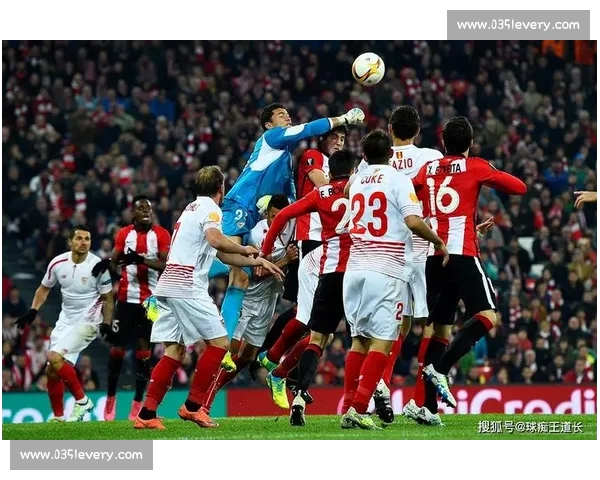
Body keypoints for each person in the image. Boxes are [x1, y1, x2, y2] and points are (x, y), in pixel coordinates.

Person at [216, 103, 365, 372]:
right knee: (234, 270)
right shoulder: (271, 139)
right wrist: (343, 118)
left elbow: (291, 196)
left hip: (254, 215)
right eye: (280, 115)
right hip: (239, 204)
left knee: (240, 274)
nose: (287, 117)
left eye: (287, 114)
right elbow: (306, 129)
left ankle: (238, 349)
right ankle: (223, 346)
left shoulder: (284, 159)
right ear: (268, 124)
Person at [133, 166, 284, 430]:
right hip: (187, 284)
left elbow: (222, 255)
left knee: (174, 350)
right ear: (220, 188)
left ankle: (146, 415)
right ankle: (193, 407)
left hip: (168, 284)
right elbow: (216, 240)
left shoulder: (190, 209)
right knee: (220, 344)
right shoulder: (211, 209)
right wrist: (244, 248)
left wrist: (255, 259)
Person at [412, 117, 527, 425]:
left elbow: (411, 195)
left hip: (435, 257)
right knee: (488, 315)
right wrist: (488, 171)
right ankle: (441, 369)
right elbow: (519, 187)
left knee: (440, 330)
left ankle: (428, 408)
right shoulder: (475, 166)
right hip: (462, 254)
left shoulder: (428, 169)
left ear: (443, 142)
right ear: (471, 142)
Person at [340, 129, 448, 430]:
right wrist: (437, 241)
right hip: (386, 270)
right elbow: (413, 221)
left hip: (354, 269)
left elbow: (347, 192)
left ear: (364, 155)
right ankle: (358, 408)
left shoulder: (357, 180)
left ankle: (348, 407)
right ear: (390, 154)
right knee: (384, 341)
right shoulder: (399, 180)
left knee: (359, 340)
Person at [260, 149, 356, 425]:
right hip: (342, 271)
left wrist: (265, 251)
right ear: (352, 171)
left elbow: (281, 217)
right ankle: (274, 362)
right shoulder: (361, 190)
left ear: (329, 172)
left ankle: (283, 375)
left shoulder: (320, 193)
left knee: (320, 336)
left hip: (328, 269)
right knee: (327, 332)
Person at [262, 126, 348, 373]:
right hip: (311, 237)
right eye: (334, 137)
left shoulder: (342, 171)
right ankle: (270, 356)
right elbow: (323, 184)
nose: (339, 142)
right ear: (323, 138)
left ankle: (278, 364)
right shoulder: (313, 156)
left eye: (343, 139)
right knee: (304, 313)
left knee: (318, 322)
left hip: (333, 242)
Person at [201, 194, 298, 413]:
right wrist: (285, 260)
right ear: (267, 214)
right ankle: (203, 399)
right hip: (248, 297)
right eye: (273, 216)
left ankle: (211, 392)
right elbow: (256, 272)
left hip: (268, 300)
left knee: (248, 356)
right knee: (229, 350)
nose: (277, 221)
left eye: (282, 217)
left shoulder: (292, 226)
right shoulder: (257, 233)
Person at [15, 225, 114, 422]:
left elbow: (108, 297)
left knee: (54, 357)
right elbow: (44, 289)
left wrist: (106, 323)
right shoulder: (57, 263)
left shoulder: (98, 265)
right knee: (52, 370)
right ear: (70, 242)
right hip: (65, 321)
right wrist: (33, 310)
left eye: (87, 239)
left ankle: (83, 401)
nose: (83, 242)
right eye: (79, 238)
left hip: (88, 320)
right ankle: (59, 417)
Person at [101, 195, 171, 422]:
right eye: (141, 208)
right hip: (125, 299)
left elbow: (165, 265)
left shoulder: (161, 234)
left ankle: (137, 403)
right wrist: (115, 264)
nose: (146, 211)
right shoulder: (124, 234)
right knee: (117, 349)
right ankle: (110, 399)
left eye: (148, 208)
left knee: (144, 351)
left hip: (150, 302)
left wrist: (141, 260)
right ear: (132, 213)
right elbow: (114, 261)